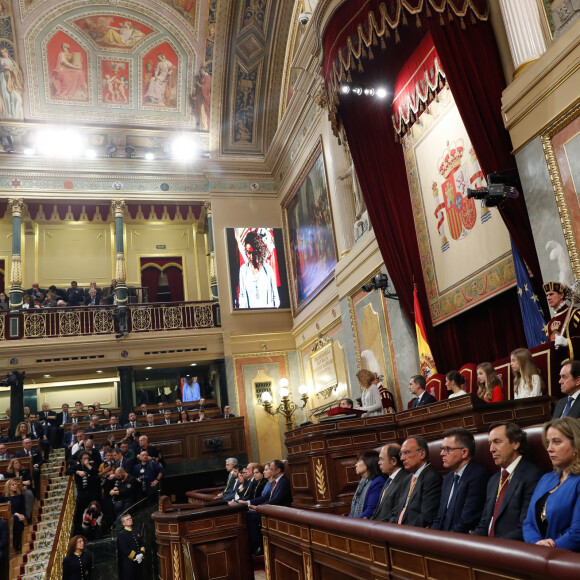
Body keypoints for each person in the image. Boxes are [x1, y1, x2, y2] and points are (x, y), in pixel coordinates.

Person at [472, 422, 543, 540]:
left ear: (515, 443)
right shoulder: (493, 480)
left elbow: (524, 528)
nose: (491, 449)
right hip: (487, 548)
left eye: (497, 442)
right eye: (490, 443)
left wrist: (494, 547)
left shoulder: (532, 476)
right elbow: (484, 525)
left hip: (510, 550)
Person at [523, 417, 580, 550]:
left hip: (566, 561)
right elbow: (528, 523)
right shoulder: (546, 478)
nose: (549, 449)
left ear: (576, 445)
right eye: (548, 443)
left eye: (557, 442)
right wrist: (536, 544)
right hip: (540, 556)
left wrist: (547, 550)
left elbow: (577, 534)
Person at [431, 428, 489, 533]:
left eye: (447, 449)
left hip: (459, 540)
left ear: (464, 452)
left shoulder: (478, 475)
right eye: (442, 449)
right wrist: (432, 536)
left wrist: (445, 540)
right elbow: (439, 517)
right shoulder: (448, 478)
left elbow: (468, 520)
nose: (441, 453)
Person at [390, 436, 442, 527]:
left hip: (413, 535)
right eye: (401, 454)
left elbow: (426, 517)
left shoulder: (432, 478)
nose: (402, 458)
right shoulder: (407, 479)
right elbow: (396, 510)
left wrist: (403, 532)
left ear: (422, 454)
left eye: (406, 452)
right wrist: (391, 528)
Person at [247, 459, 292, 556]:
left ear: (278, 470)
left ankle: (259, 546)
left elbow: (276, 500)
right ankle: (255, 545)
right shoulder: (274, 482)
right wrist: (251, 504)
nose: (268, 471)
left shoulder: (284, 482)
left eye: (271, 469)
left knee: (250, 516)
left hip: (279, 512)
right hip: (270, 509)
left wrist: (258, 507)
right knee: (248, 513)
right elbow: (267, 497)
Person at [237, 230, 280, 308]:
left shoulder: (268, 270)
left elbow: (276, 299)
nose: (251, 257)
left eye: (254, 253)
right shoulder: (243, 270)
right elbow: (242, 297)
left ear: (259, 251)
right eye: (249, 253)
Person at [371, 444, 410, 521]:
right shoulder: (388, 479)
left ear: (393, 461)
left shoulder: (405, 480)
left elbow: (396, 513)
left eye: (381, 459)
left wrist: (376, 526)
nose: (379, 463)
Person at [543, 281, 580, 349]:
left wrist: (568, 342)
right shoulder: (549, 324)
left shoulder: (575, 313)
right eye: (547, 295)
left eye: (551, 294)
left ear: (561, 295)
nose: (548, 298)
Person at [348, 450, 384, 518]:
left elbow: (371, 511)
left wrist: (353, 523)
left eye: (359, 461)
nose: (356, 465)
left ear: (368, 462)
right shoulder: (363, 482)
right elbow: (354, 508)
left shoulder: (378, 482)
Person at [0, 478, 26, 552]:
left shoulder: (20, 496)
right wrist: (15, 514)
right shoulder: (3, 498)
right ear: (8, 486)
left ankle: (17, 545)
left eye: (15, 484)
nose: (15, 486)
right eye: (13, 484)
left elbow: (22, 508)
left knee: (17, 520)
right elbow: (3, 510)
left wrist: (22, 515)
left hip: (18, 518)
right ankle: (16, 545)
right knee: (15, 518)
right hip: (9, 517)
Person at [117, 513, 145, 579]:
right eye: (127, 519)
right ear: (124, 523)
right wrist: (136, 556)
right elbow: (124, 549)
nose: (130, 520)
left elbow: (142, 543)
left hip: (139, 561)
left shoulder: (136, 530)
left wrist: (141, 554)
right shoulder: (121, 534)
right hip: (129, 563)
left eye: (130, 518)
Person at [0, 47, 24, 120]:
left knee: (14, 95)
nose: (3, 54)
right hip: (3, 77)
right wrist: (8, 68)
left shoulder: (12, 61)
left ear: (7, 52)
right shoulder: (1, 60)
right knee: (5, 95)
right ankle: (8, 113)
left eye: (4, 52)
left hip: (12, 79)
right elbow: (4, 67)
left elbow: (17, 70)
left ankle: (14, 113)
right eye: (1, 53)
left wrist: (10, 68)